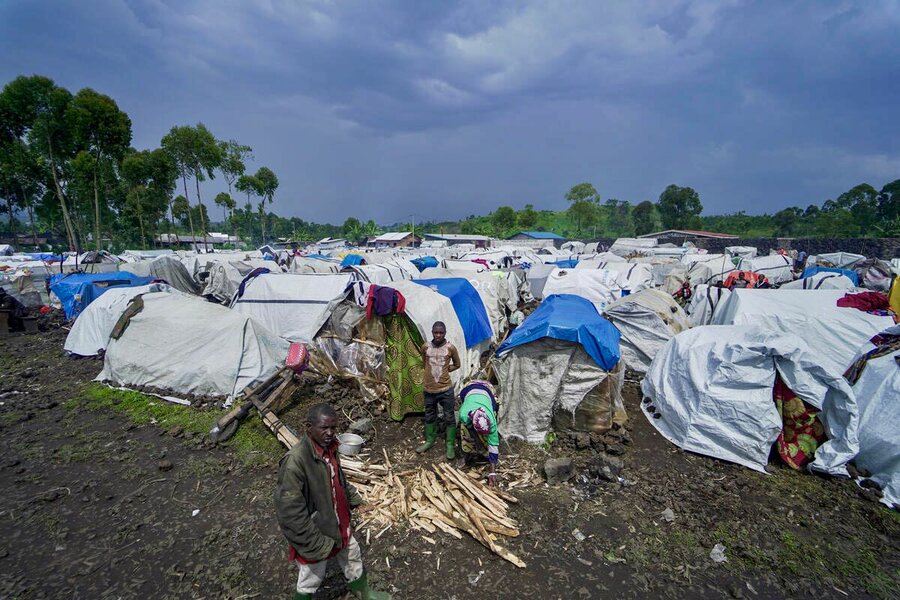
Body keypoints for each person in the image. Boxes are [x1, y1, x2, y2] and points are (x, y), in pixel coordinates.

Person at [274, 404, 390, 600]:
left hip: (339, 520)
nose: (330, 433)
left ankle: (364, 593)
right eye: (324, 428)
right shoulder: (296, 461)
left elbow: (339, 478)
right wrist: (313, 542)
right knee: (311, 575)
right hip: (318, 528)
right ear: (308, 427)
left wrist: (354, 499)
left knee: (352, 554)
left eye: (333, 428)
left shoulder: (330, 448)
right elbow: (289, 511)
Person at [416, 321, 461, 459]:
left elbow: (457, 364)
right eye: (436, 332)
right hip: (429, 389)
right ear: (432, 332)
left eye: (441, 333)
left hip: (445, 389)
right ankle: (430, 440)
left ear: (445, 333)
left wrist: (445, 370)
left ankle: (449, 444)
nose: (438, 335)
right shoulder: (425, 347)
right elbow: (425, 363)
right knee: (429, 415)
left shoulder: (450, 348)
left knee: (449, 417)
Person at [457, 381, 501, 486]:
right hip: (468, 390)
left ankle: (484, 452)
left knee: (488, 440)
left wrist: (492, 472)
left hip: (487, 390)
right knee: (465, 432)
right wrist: (476, 441)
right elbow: (470, 428)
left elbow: (493, 445)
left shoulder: (492, 422)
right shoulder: (464, 414)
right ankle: (468, 454)